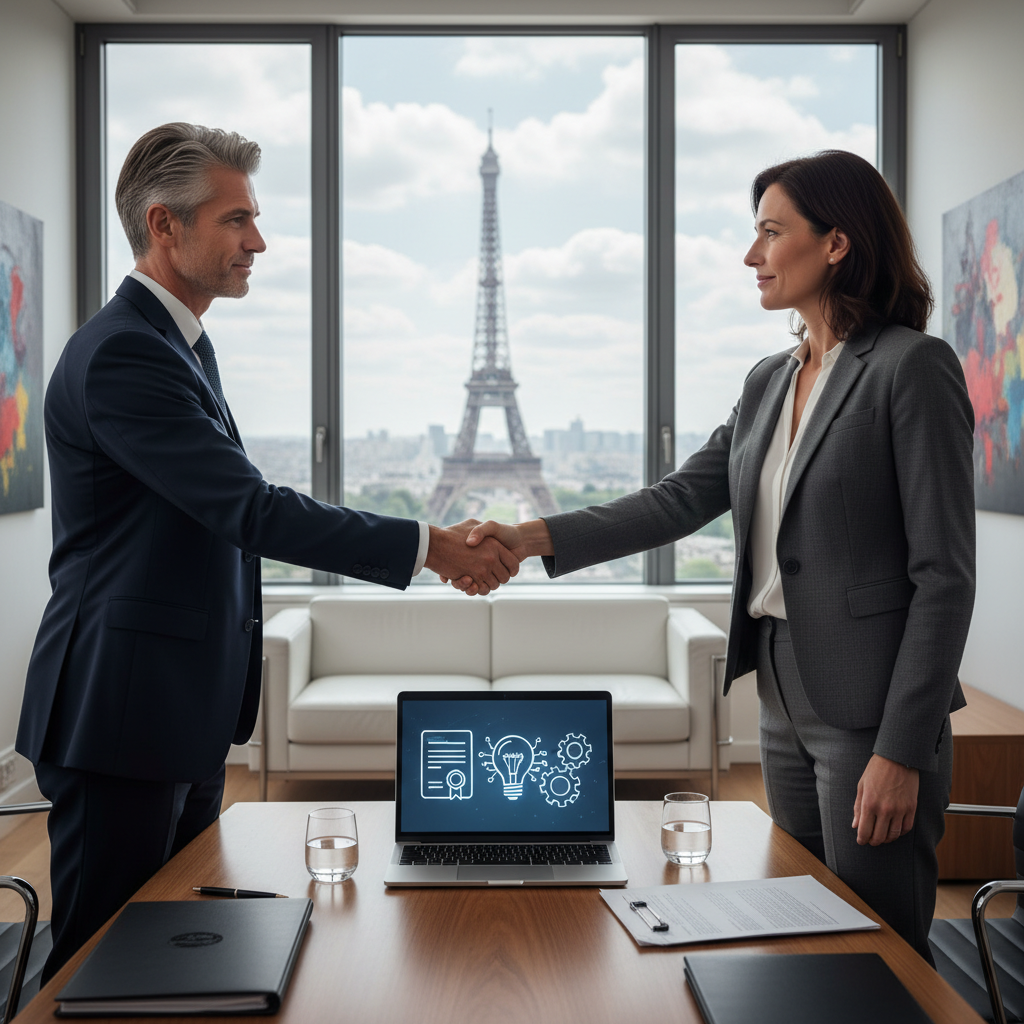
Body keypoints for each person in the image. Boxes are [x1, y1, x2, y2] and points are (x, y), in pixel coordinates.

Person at [17, 122, 521, 982]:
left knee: (168, 947)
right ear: (163, 225)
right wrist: (431, 545)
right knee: (97, 963)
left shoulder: (178, 345)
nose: (258, 240)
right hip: (122, 710)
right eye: (236, 219)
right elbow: (250, 509)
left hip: (174, 705)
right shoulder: (125, 355)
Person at [452, 150, 976, 961]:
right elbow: (677, 499)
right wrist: (528, 539)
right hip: (777, 686)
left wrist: (902, 749)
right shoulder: (770, 379)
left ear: (835, 244)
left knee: (881, 941)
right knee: (803, 917)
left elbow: (944, 577)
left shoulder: (911, 368)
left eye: (770, 232)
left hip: (873, 704)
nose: (750, 254)